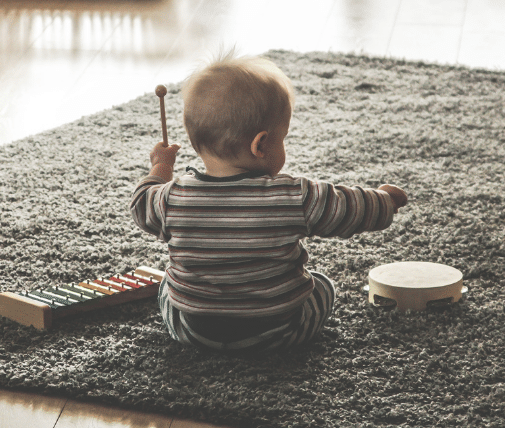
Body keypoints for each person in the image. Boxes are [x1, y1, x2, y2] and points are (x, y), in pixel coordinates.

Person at [130, 52, 408, 354]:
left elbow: (141, 203)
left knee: (166, 287)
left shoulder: (171, 198)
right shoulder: (293, 195)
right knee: (323, 285)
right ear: (261, 144)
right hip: (279, 332)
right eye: (282, 138)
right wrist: (385, 200)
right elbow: (349, 207)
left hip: (195, 332)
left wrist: (161, 166)